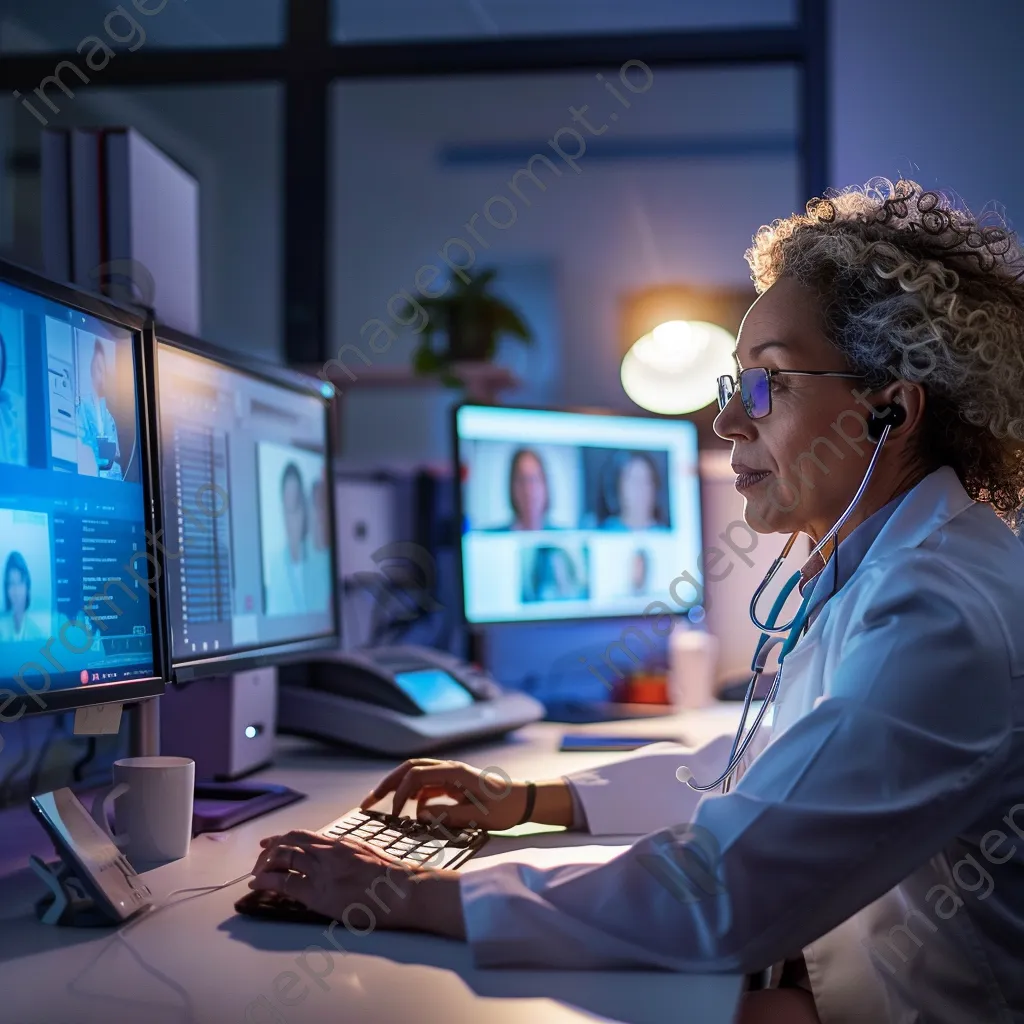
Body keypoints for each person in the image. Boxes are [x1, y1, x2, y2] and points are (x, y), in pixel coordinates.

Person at [249, 180, 1024, 1024]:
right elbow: (761, 781)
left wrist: (412, 894)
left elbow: (722, 890)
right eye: (733, 385)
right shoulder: (886, 569)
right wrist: (530, 800)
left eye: (766, 384)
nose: (726, 422)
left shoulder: (938, 609)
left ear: (889, 412)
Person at [265, 462, 309, 616]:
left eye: (295, 506)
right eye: (287, 508)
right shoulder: (274, 566)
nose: (291, 519)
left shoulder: (317, 564)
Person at [78, 339, 122, 479]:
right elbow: (83, 446)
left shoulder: (108, 416)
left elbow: (115, 454)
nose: (101, 375)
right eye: (98, 368)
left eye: (103, 370)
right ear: (91, 367)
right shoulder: (82, 406)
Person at [599, 451, 668, 530]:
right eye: (634, 481)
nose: (640, 489)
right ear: (620, 487)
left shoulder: (669, 535)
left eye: (646, 481)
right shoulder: (604, 532)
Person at [0, 551, 43, 642]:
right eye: (11, 583)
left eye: (20, 583)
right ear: (6, 588)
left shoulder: (36, 634)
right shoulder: (1, 627)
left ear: (27, 587)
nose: (16, 591)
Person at [504, 447, 551, 531]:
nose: (529, 489)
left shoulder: (565, 538)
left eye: (535, 479)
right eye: (522, 480)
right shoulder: (490, 538)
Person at [522, 544, 586, 602]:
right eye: (551, 567)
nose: (557, 572)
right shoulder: (544, 595)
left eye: (560, 565)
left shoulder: (579, 592)